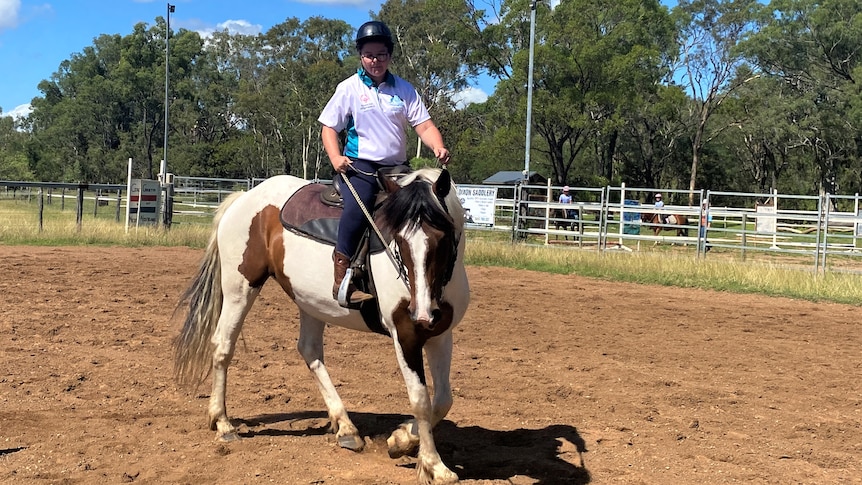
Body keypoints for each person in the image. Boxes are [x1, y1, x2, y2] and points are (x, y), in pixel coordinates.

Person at [318, 20, 451, 306]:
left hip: (398, 169)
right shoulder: (349, 88)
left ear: (390, 55)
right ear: (361, 56)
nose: (375, 60)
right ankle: (342, 273)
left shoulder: (404, 90)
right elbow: (329, 128)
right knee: (358, 206)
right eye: (369, 55)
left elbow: (424, 125)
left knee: (424, 210)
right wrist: (335, 156)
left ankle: (426, 275)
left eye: (381, 54)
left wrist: (437, 145)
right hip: (361, 167)